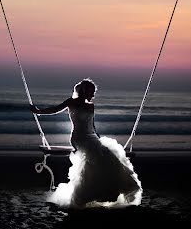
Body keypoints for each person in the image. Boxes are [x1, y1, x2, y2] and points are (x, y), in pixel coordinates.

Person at [30, 78, 142, 208]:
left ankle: (108, 191)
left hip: (92, 136)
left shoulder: (91, 105)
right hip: (79, 137)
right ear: (84, 90)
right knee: (97, 155)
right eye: (91, 91)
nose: (93, 95)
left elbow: (92, 126)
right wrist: (38, 111)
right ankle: (91, 194)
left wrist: (99, 139)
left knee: (108, 155)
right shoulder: (71, 102)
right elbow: (54, 109)